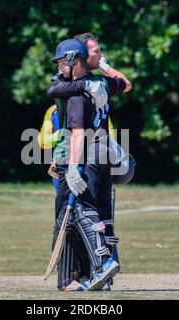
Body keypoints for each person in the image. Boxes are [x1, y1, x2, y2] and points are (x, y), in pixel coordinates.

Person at [47, 33, 133, 291]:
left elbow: (77, 133)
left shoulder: (81, 91)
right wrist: (87, 83)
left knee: (80, 213)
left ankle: (99, 267)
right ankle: (86, 274)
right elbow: (53, 88)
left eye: (63, 61)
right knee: (92, 214)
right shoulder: (92, 85)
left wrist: (73, 166)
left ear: (75, 59)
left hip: (82, 155)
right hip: (98, 154)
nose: (60, 66)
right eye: (96, 51)